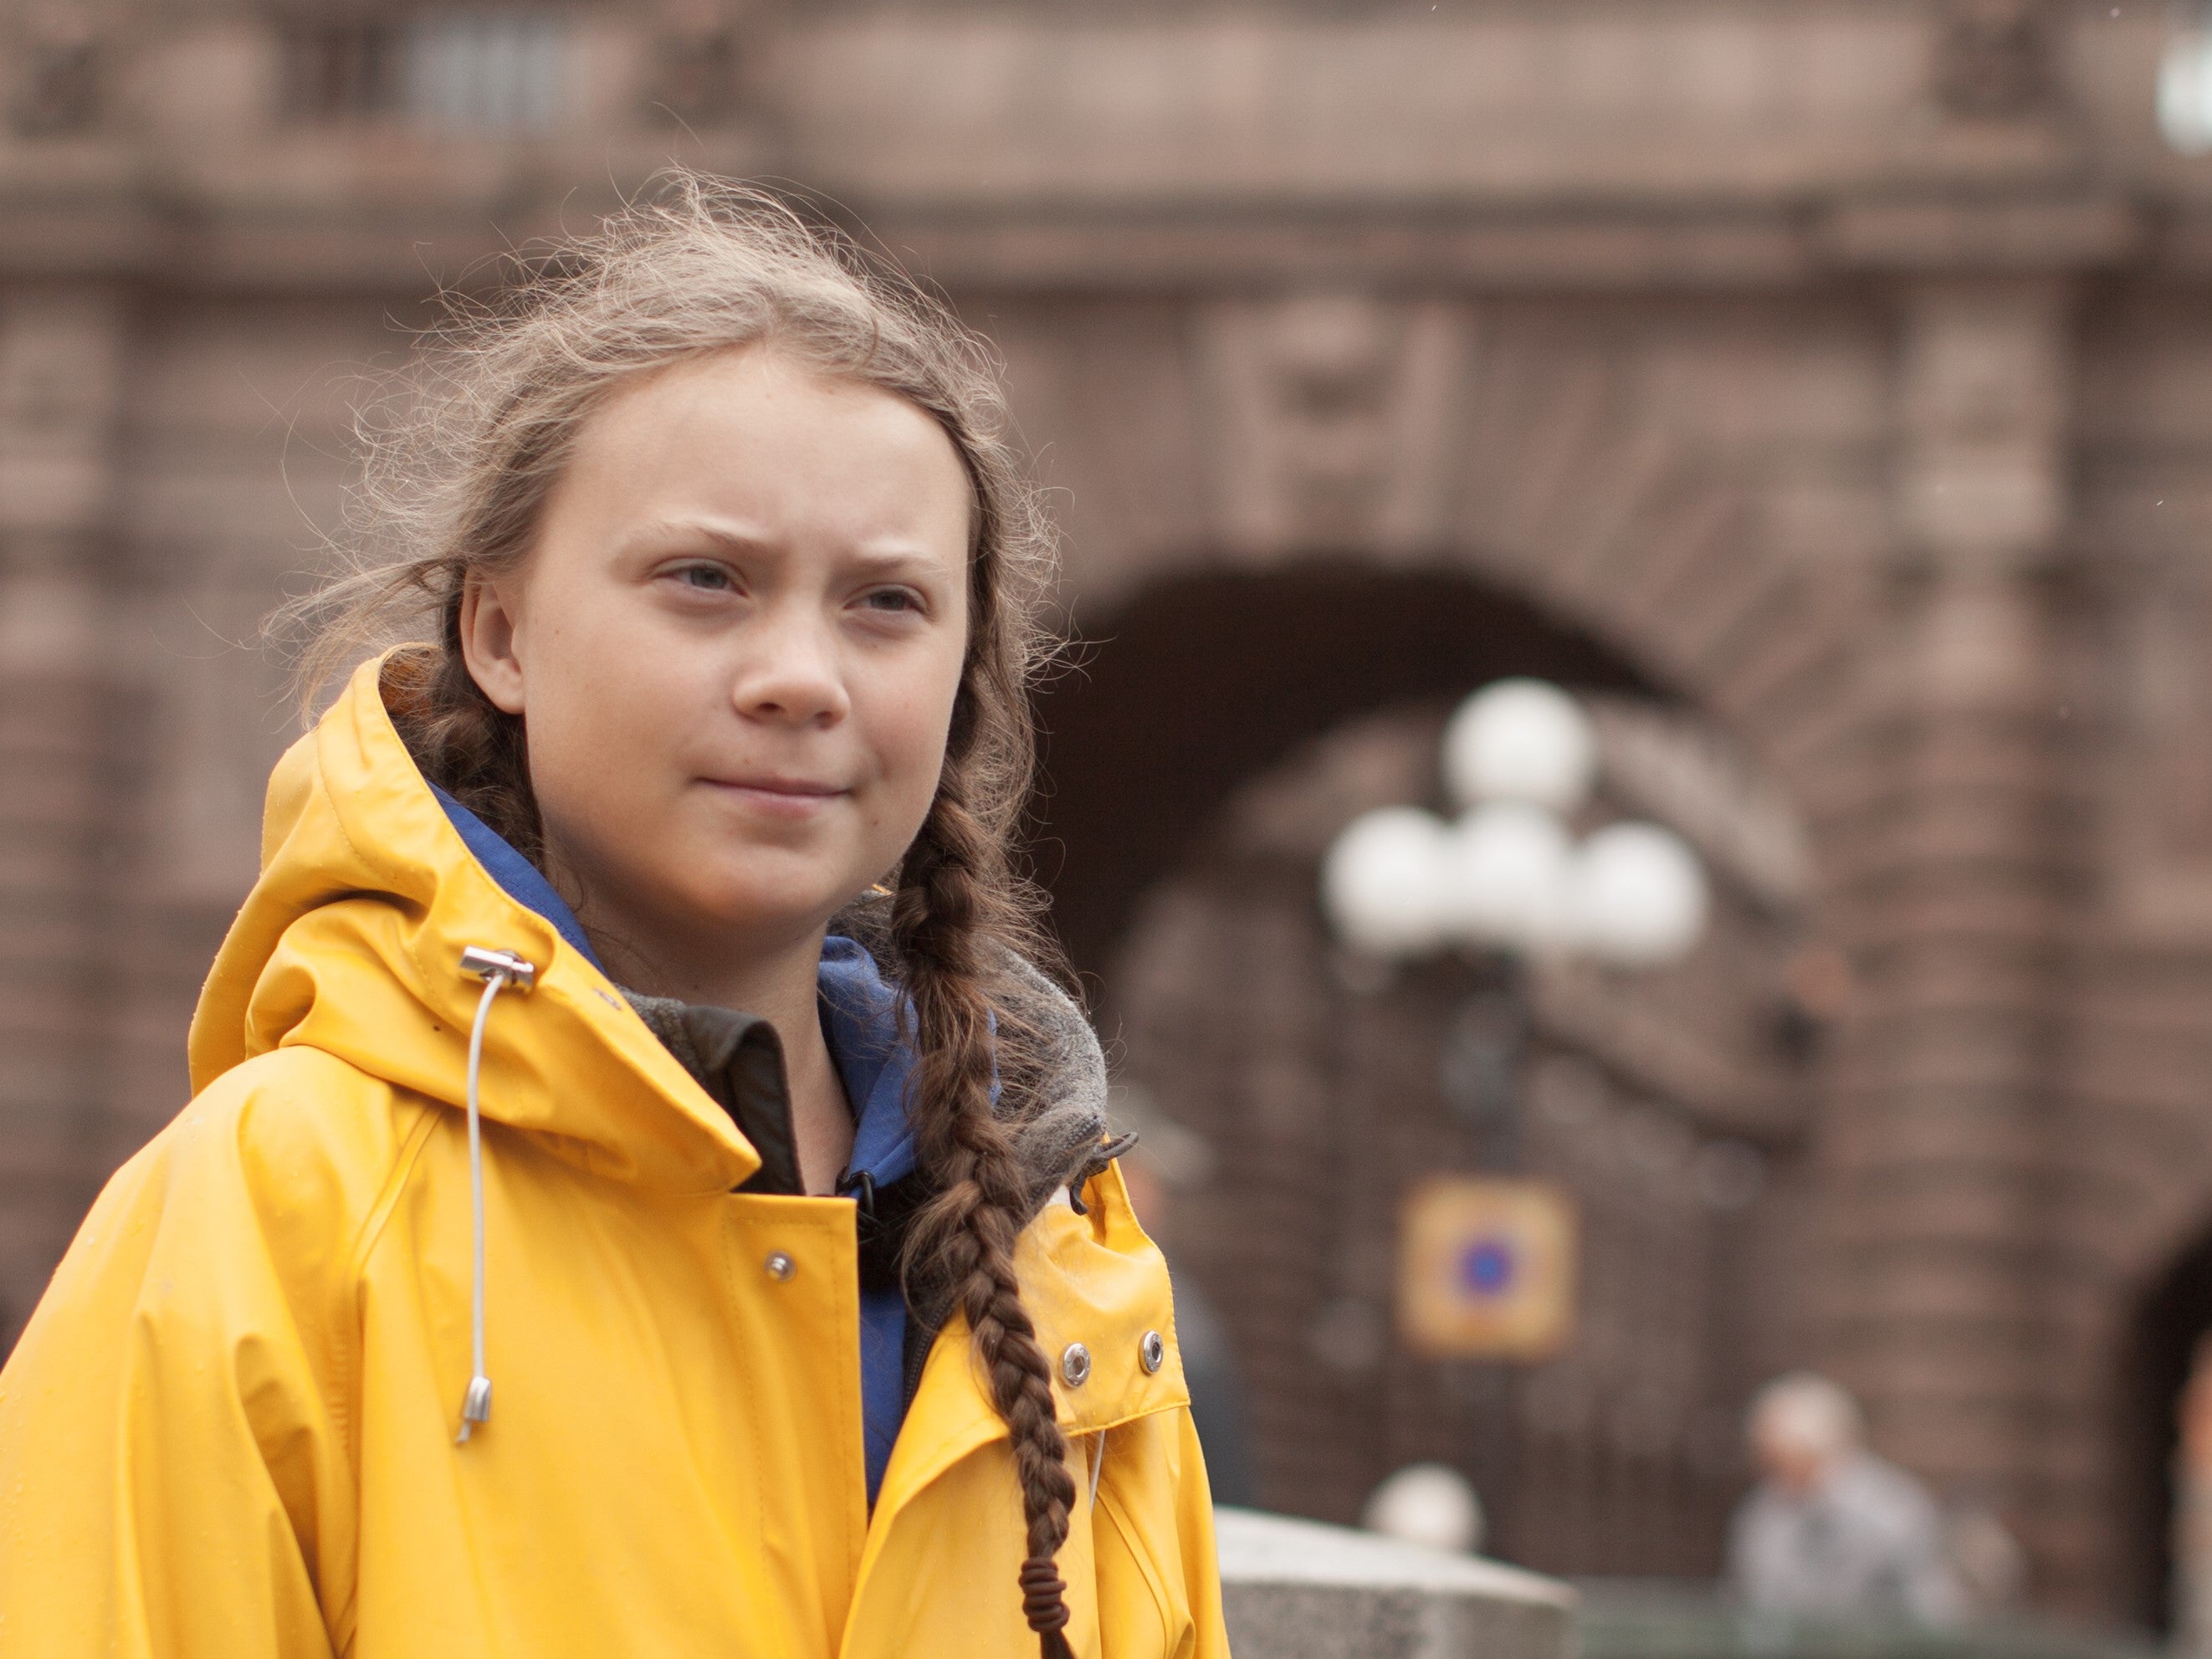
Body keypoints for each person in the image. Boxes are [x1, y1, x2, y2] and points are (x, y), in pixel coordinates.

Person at [0, 176, 1225, 1658]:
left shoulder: (1068, 1272)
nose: (800, 674)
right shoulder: (272, 1212)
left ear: (962, 676)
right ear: (498, 632)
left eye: (886, 603)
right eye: (704, 580)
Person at [1727, 1371, 1960, 1624]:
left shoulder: (1892, 1508)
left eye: (1781, 1459)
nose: (1770, 1470)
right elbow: (1748, 1601)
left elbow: (1932, 1609)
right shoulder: (1762, 1513)